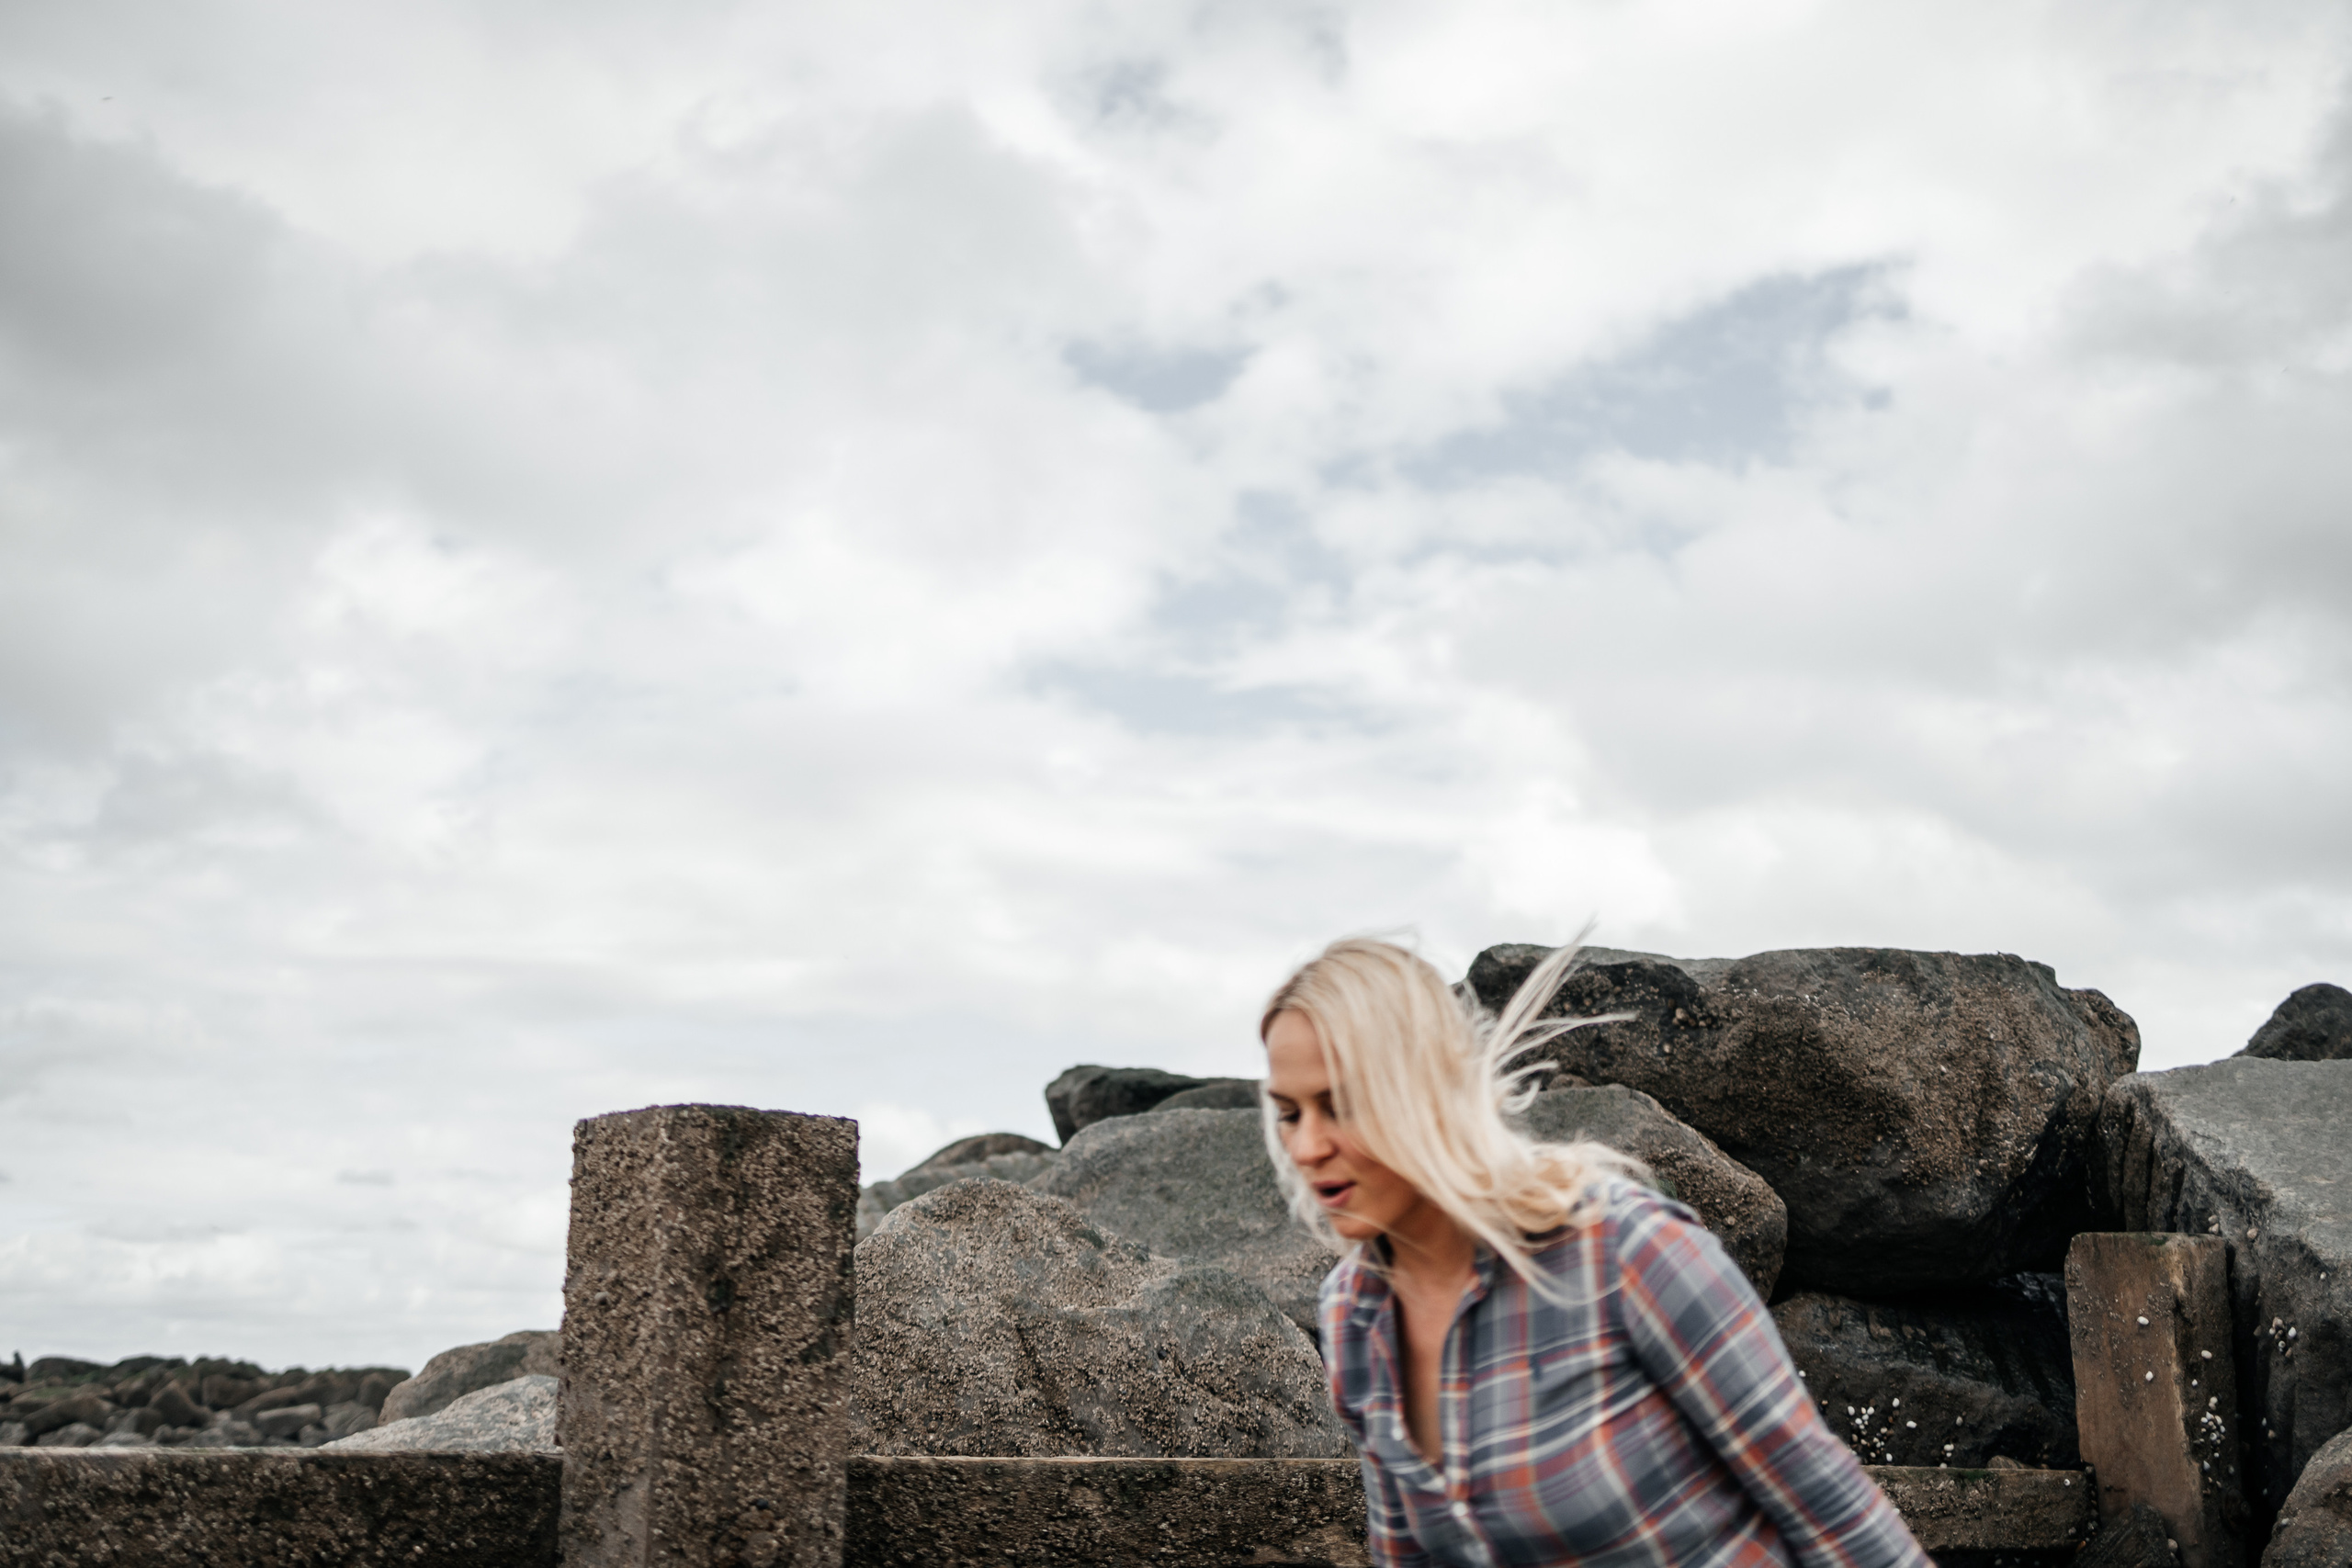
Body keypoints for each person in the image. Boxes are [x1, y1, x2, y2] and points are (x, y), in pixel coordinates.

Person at [1259, 936, 1930, 1568]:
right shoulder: (1353, 1315)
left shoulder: (1624, 1250)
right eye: (1290, 1112)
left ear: (1426, 1095)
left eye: (1339, 1104)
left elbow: (1831, 1506)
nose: (1306, 1146)